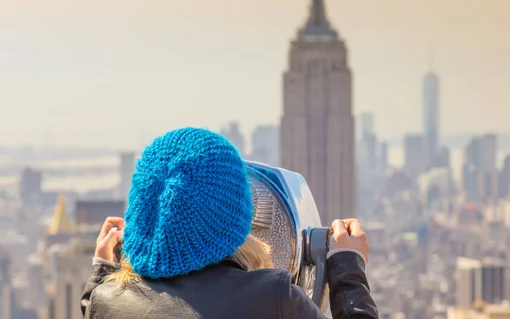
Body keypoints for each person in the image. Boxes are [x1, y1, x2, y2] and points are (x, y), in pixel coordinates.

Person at [81, 127, 378, 318]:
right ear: (235, 217)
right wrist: (346, 265)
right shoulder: (273, 297)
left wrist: (102, 272)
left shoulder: (106, 301)